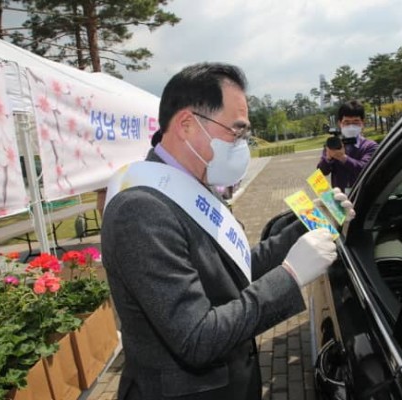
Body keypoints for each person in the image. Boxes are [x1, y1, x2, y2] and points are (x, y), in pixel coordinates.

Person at [100, 62, 355, 400]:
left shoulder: (193, 183)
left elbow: (236, 268)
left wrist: (312, 221)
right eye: (236, 132)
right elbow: (197, 337)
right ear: (187, 125)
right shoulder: (140, 209)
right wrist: (290, 277)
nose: (241, 145)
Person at [317, 100, 379, 191]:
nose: (351, 126)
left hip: (363, 195)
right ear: (340, 123)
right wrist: (328, 158)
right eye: (347, 122)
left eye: (355, 122)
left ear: (362, 123)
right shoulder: (334, 144)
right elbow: (322, 172)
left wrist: (343, 158)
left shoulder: (370, 146)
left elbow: (366, 170)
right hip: (340, 196)